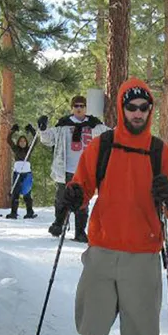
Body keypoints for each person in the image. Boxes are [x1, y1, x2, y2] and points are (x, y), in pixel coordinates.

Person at [60, 77, 168, 335]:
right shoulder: (103, 146)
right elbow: (82, 185)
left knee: (137, 330)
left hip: (144, 253)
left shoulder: (159, 151)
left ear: (150, 111)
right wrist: (73, 196)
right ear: (121, 108)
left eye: (143, 108)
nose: (136, 113)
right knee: (91, 324)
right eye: (130, 107)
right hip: (103, 248)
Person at [37, 95, 110, 242]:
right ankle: (58, 224)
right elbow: (47, 139)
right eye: (76, 106)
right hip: (65, 169)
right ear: (72, 108)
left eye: (81, 106)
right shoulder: (63, 125)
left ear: (85, 108)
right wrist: (42, 129)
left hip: (85, 170)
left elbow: (112, 135)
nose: (79, 109)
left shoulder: (95, 125)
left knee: (82, 201)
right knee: (62, 198)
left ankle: (80, 232)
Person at [6, 124, 37, 219]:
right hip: (17, 174)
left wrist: (32, 130)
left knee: (27, 193)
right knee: (16, 193)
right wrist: (12, 130)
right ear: (18, 142)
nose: (22, 142)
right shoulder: (16, 149)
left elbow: (36, 139)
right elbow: (8, 140)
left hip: (26, 174)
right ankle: (13, 212)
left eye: (24, 141)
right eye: (20, 141)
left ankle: (30, 212)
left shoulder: (29, 150)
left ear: (26, 142)